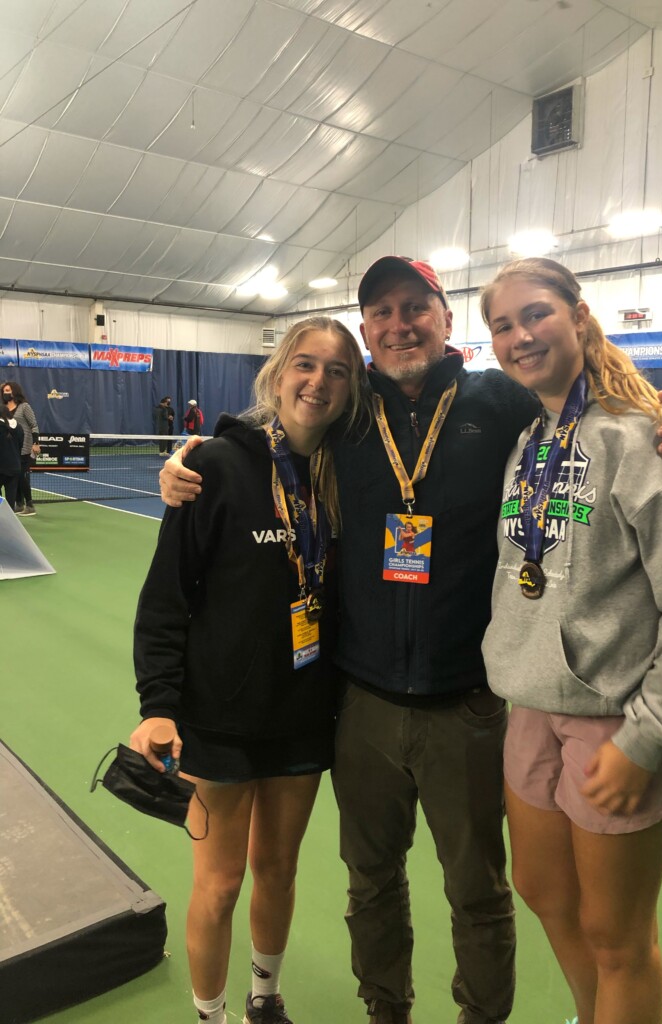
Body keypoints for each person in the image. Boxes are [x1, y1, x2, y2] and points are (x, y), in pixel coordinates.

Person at [158, 257, 662, 1024]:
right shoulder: (352, 413)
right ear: (368, 329)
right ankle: (388, 1008)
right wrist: (191, 457)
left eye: (416, 306)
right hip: (363, 703)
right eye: (382, 312)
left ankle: (480, 1015)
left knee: (480, 889)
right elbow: (287, 420)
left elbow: (589, 394)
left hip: (475, 704)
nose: (400, 324)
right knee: (372, 880)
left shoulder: (502, 400)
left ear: (447, 320)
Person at [479, 257, 662, 1024]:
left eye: (536, 315)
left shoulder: (649, 435)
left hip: (618, 720)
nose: (520, 335)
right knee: (546, 894)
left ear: (579, 318)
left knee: (618, 937)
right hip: (531, 706)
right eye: (502, 324)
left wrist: (650, 736)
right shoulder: (530, 440)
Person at [130, 317, 368, 1024]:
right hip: (219, 721)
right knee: (220, 882)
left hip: (302, 719)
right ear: (277, 372)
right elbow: (166, 596)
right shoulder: (214, 466)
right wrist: (158, 702)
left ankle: (265, 1001)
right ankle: (212, 1016)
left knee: (280, 869)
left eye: (336, 370)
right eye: (305, 364)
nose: (318, 382)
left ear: (353, 387)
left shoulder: (348, 471)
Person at [1, 380, 41, 515]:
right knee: (14, 476)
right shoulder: (3, 407)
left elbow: (34, 425)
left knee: (19, 475)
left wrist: (36, 443)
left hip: (24, 447)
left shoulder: (24, 407)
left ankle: (29, 505)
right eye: (4, 391)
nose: (6, 393)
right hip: (9, 450)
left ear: (15, 391)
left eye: (8, 390)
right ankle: (19, 504)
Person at [0, 402, 24, 510]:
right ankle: (9, 523)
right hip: (15, 467)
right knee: (11, 501)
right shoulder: (19, 427)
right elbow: (20, 445)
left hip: (1, 467)